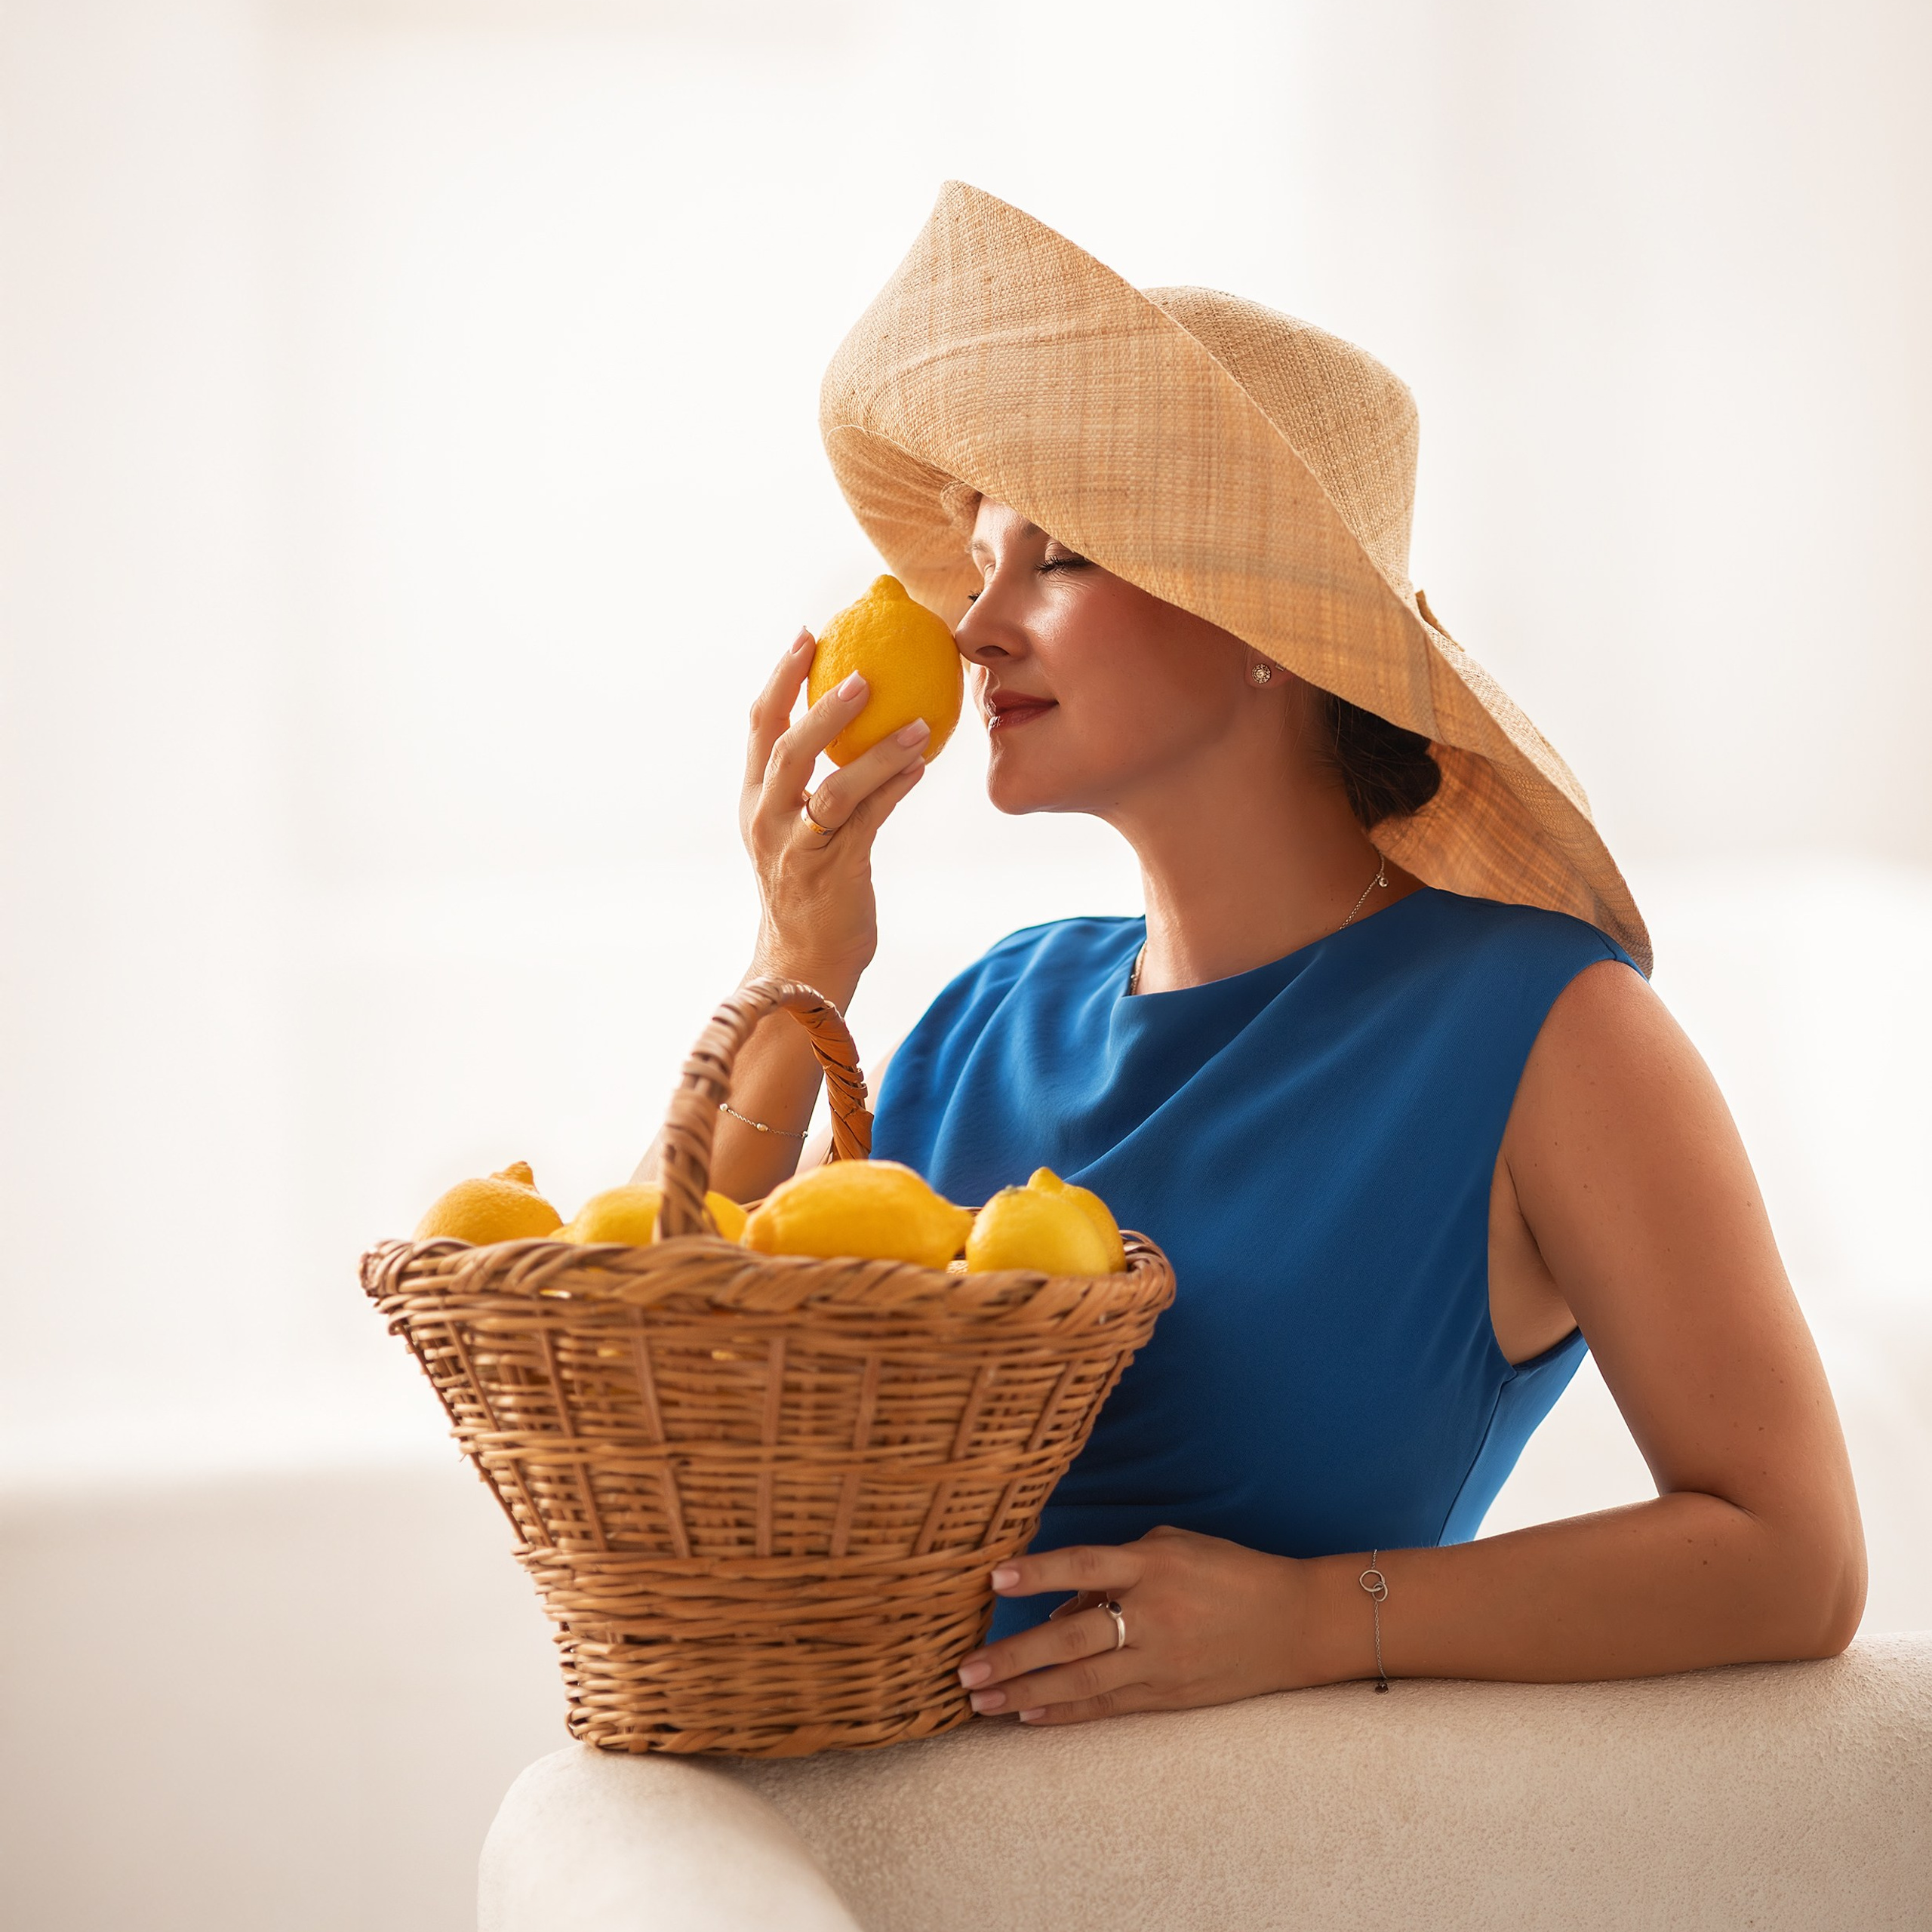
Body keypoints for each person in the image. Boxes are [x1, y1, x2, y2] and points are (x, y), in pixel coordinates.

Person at [666, 183, 1865, 1726]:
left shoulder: (1546, 1032)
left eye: (1057, 558)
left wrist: (1312, 1616)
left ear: (1262, 619)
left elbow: (1793, 1556)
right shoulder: (976, 1021)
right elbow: (664, 1397)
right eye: (979, 560)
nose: (971, 625)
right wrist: (797, 959)